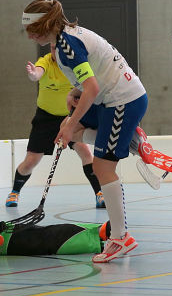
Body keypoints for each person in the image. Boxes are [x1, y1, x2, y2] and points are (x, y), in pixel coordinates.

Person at [22, 0, 147, 263]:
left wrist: (70, 124)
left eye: (33, 30)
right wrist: (74, 93)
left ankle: (120, 237)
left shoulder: (67, 46)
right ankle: (129, 139)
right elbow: (90, 77)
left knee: (102, 167)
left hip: (121, 101)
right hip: (108, 99)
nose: (30, 36)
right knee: (70, 128)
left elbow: (92, 87)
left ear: (46, 24)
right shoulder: (64, 38)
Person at [6, 44, 105, 209]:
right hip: (45, 118)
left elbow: (89, 85)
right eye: (52, 48)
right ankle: (15, 192)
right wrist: (33, 74)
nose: (55, 51)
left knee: (86, 153)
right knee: (31, 161)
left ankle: (99, 193)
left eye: (57, 48)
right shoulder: (46, 62)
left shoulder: (74, 64)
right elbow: (37, 73)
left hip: (70, 117)